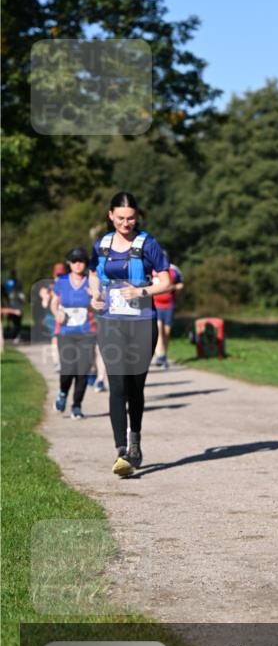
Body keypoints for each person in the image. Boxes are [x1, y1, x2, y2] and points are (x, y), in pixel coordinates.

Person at [88, 192, 171, 477]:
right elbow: (93, 273)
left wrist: (141, 291)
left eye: (131, 218)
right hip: (111, 321)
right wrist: (94, 294)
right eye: (121, 218)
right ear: (110, 215)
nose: (126, 223)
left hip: (142, 321)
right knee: (117, 384)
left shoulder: (148, 244)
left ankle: (135, 442)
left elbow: (167, 281)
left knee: (135, 386)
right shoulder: (102, 244)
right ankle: (122, 451)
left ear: (138, 216)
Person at [50, 248, 96, 419]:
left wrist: (96, 297)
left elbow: (103, 304)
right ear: (69, 263)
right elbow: (54, 303)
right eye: (74, 261)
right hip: (66, 332)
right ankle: (62, 393)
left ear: (85, 264)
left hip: (87, 333)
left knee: (83, 371)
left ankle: (77, 405)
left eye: (81, 261)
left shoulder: (92, 282)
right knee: (68, 370)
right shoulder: (61, 281)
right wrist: (57, 314)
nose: (78, 264)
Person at [152, 254, 184, 369]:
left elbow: (181, 284)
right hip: (155, 304)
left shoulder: (174, 269)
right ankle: (160, 356)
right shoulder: (152, 269)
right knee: (159, 330)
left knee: (166, 332)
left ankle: (163, 355)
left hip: (169, 305)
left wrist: (172, 287)